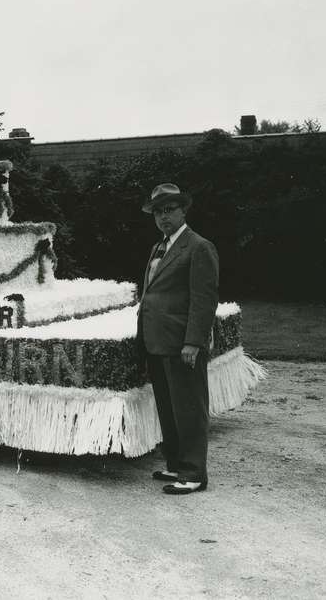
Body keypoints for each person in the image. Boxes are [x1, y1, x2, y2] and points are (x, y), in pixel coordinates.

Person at [136, 183, 219, 495]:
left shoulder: (199, 247)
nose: (163, 216)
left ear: (184, 210)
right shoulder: (159, 247)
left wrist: (194, 342)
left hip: (182, 342)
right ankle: (176, 465)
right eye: (158, 211)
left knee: (189, 408)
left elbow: (204, 300)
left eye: (169, 209)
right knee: (168, 407)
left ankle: (195, 472)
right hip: (156, 340)